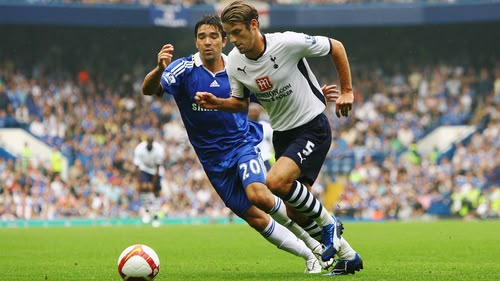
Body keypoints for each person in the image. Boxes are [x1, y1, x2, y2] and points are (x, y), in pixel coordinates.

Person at [142, 14, 334, 274]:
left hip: (241, 143)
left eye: (213, 36)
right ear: (196, 42)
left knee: (260, 195)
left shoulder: (238, 67)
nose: (207, 42)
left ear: (224, 40)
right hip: (211, 159)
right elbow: (149, 89)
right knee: (255, 218)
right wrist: (159, 69)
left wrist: (314, 95)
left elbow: (275, 90)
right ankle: (308, 254)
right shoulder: (183, 69)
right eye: (201, 37)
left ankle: (317, 244)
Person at [195, 0, 363, 275]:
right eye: (229, 33)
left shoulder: (287, 43)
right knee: (297, 212)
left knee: (274, 181)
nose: (233, 40)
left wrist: (347, 90)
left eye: (236, 32)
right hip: (283, 135)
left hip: (312, 126)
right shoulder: (235, 63)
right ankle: (349, 255)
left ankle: (330, 223)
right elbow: (240, 104)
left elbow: (336, 47)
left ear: (254, 25)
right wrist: (217, 102)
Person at [133, 132, 164, 227]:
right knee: (144, 188)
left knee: (156, 192)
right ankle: (146, 211)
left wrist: (153, 183)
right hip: (144, 169)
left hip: (155, 170)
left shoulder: (159, 150)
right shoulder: (139, 149)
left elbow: (158, 167)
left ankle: (155, 216)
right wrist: (139, 182)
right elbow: (137, 166)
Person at [248, 103, 274, 171]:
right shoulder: (244, 127)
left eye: (255, 111)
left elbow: (273, 141)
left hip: (266, 158)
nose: (253, 114)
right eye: (250, 111)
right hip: (250, 161)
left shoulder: (266, 126)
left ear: (259, 113)